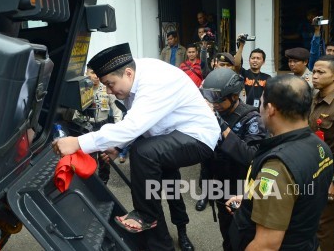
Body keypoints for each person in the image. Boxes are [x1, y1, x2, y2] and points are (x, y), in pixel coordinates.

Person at [52, 43, 220, 250]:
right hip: (165, 138)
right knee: (155, 188)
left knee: (143, 154)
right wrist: (116, 146)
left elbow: (133, 126)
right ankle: (160, 243)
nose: (109, 91)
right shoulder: (134, 81)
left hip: (198, 137)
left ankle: (147, 216)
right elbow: (137, 122)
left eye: (110, 84)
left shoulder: (155, 81)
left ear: (128, 73)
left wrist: (78, 142)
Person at [227, 74, 333, 250]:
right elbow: (297, 197)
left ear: (271, 109)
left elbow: (266, 246)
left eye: (261, 103)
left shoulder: (277, 166)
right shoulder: (320, 145)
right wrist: (253, 199)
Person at [199, 68, 267, 250]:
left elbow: (251, 156)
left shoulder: (251, 118)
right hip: (219, 184)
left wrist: (220, 124)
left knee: (242, 236)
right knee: (226, 234)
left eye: (218, 98)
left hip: (240, 188)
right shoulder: (212, 112)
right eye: (209, 97)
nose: (214, 103)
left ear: (235, 97)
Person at [309, 55, 334, 251]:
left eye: (320, 72)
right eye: (314, 71)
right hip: (312, 168)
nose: (314, 76)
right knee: (310, 221)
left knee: (324, 226)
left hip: (333, 170)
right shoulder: (313, 99)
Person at [72, 67, 123, 183]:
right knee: (87, 159)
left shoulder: (106, 88)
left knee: (105, 158)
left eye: (97, 73)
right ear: (86, 73)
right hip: (86, 127)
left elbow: (117, 109)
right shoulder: (82, 89)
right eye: (92, 72)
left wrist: (118, 128)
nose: (96, 76)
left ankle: (104, 182)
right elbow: (75, 112)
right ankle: (90, 184)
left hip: (103, 127)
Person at [234, 37, 271, 107]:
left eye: (258, 58)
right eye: (253, 58)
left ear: (263, 62)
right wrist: (241, 46)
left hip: (260, 111)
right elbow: (236, 64)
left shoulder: (267, 78)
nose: (255, 60)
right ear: (249, 60)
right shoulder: (244, 73)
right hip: (244, 109)